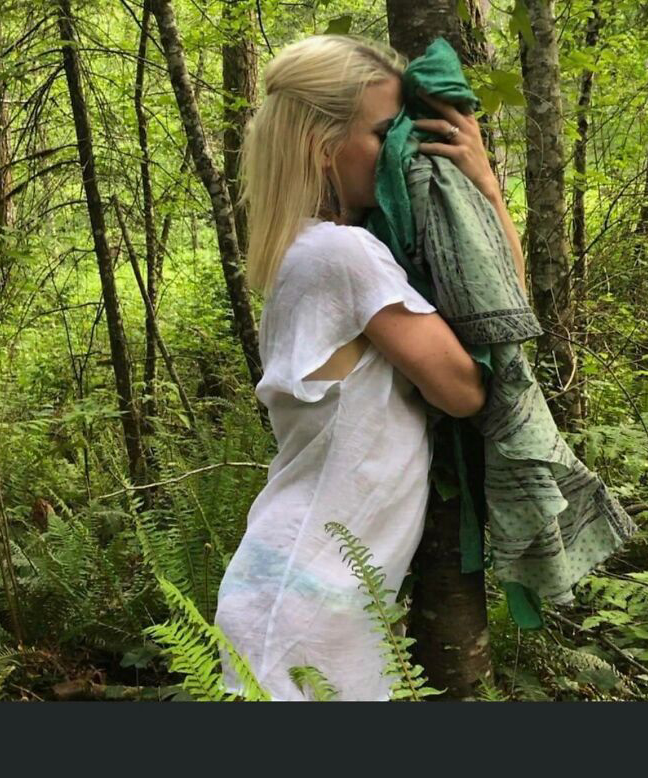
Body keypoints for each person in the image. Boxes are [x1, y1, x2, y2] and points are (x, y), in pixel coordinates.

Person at [213, 33, 510, 702]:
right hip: (306, 609)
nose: (398, 151)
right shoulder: (345, 256)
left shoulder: (306, 252)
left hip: (306, 590)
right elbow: (468, 387)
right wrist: (483, 195)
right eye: (383, 133)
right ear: (324, 146)